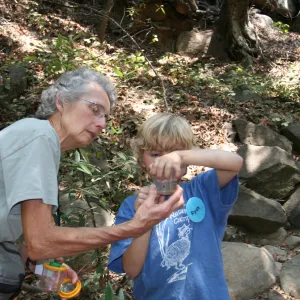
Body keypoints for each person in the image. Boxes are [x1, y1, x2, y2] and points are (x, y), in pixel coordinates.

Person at [0, 69, 184, 300]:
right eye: (94, 109)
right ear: (61, 102)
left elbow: (18, 235)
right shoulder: (40, 136)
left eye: (105, 117)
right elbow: (41, 241)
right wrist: (134, 227)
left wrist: (37, 264)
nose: (101, 124)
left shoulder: (35, 140)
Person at [108, 113, 243, 300]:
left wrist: (180, 156)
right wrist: (143, 219)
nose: (165, 162)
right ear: (141, 159)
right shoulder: (132, 206)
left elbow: (235, 163)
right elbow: (131, 269)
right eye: (155, 154)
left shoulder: (202, 190)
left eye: (174, 154)